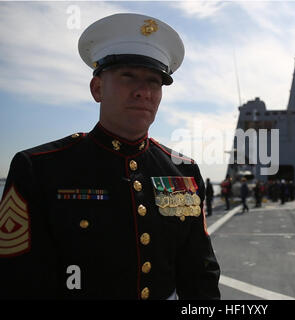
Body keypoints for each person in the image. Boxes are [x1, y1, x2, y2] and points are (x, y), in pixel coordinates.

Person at [0, 13, 220, 300]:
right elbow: (19, 278)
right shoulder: (39, 169)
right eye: (128, 76)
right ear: (97, 88)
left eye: (154, 81)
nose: (143, 91)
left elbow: (200, 275)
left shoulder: (185, 172)